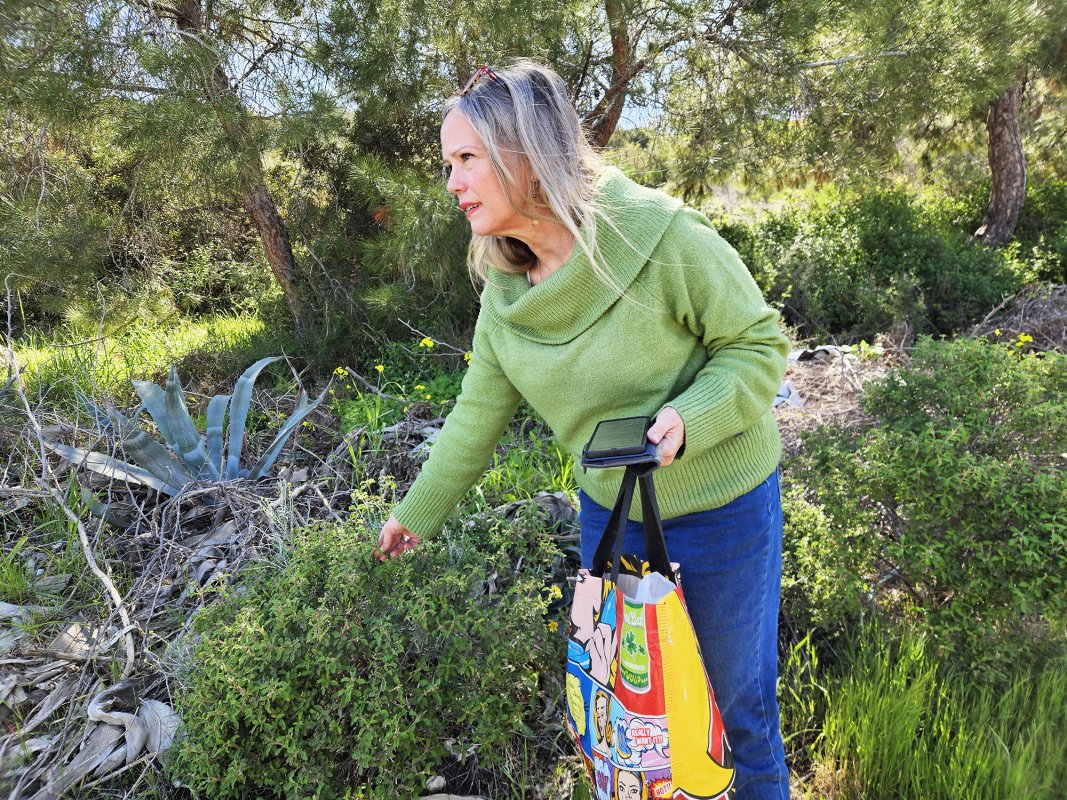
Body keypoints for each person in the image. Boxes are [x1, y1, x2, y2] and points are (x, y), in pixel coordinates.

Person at [375, 60, 790, 800]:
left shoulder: (656, 236)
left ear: (526, 155)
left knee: (735, 712)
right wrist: (416, 513)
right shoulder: (505, 288)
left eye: (465, 158)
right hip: (614, 520)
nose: (452, 183)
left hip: (722, 512)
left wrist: (687, 419)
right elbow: (477, 412)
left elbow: (756, 345)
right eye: (448, 163)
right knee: (632, 715)